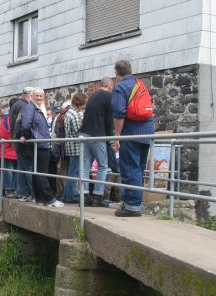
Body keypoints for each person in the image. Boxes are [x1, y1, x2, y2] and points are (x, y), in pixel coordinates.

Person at [112, 59, 155, 217]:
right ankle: (135, 202)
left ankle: (131, 206)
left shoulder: (120, 87)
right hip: (147, 132)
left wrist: (117, 136)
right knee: (139, 169)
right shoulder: (140, 84)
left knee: (130, 169)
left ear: (116, 72)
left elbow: (119, 113)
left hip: (131, 133)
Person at [19, 88, 64, 207]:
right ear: (32, 96)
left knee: (37, 172)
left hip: (41, 143)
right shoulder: (30, 108)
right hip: (39, 143)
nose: (39, 98)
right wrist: (27, 136)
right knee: (42, 172)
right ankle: (49, 199)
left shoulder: (38, 108)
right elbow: (26, 125)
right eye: (37, 96)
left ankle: (39, 198)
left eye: (41, 96)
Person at [79, 77, 114, 208]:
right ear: (110, 87)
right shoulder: (108, 97)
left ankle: (84, 195)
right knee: (103, 166)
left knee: (85, 165)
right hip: (97, 134)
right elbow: (109, 120)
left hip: (84, 134)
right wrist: (111, 139)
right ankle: (98, 196)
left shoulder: (92, 96)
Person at [10, 87, 35, 201]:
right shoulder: (25, 106)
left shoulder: (15, 105)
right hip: (23, 142)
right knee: (28, 168)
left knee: (21, 168)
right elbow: (22, 123)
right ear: (29, 95)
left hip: (16, 141)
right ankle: (32, 194)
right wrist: (23, 136)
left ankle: (22, 193)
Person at [63, 92, 87, 203]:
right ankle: (70, 196)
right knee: (74, 172)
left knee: (72, 171)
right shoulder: (74, 114)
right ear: (80, 103)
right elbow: (78, 131)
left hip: (70, 145)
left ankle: (66, 195)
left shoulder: (68, 112)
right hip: (76, 146)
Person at [0, 98, 19, 198]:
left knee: (14, 170)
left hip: (13, 149)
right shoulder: (6, 119)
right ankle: (9, 190)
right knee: (9, 170)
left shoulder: (7, 118)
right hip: (8, 149)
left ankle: (13, 189)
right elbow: (5, 133)